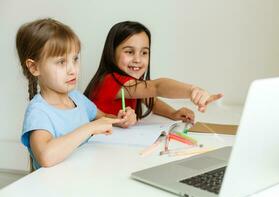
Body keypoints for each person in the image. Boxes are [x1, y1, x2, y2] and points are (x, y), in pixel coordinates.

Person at [16, 18, 130, 170]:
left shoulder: (77, 98)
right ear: (34, 67)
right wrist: (90, 128)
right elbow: (46, 156)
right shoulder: (39, 112)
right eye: (61, 62)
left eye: (75, 59)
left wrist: (120, 119)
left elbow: (103, 118)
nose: (73, 70)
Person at [84, 21, 223, 123]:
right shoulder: (110, 81)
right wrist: (192, 90)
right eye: (129, 52)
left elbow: (152, 100)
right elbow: (156, 87)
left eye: (144, 52)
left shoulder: (132, 85)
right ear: (111, 52)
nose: (137, 59)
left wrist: (173, 113)